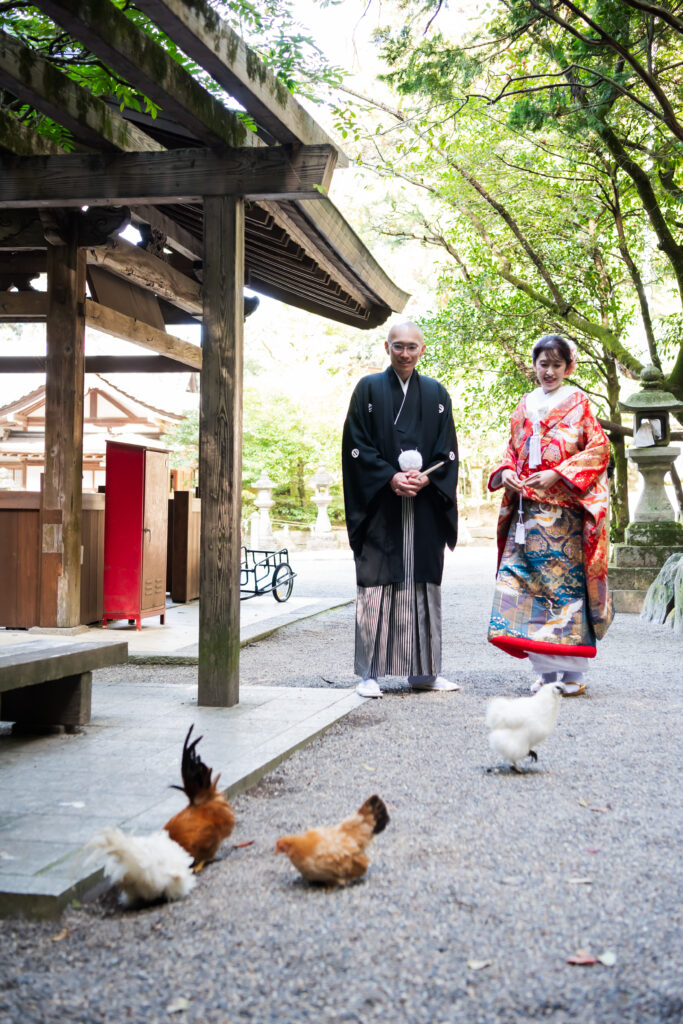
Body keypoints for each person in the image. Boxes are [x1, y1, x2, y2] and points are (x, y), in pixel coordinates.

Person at [487, 334, 613, 695]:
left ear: (568, 367)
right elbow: (511, 449)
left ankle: (572, 676)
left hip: (564, 516)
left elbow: (598, 449)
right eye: (544, 364)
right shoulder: (525, 404)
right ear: (535, 365)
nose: (550, 371)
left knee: (563, 590)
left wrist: (558, 473)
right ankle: (545, 672)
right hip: (527, 514)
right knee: (526, 588)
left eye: (558, 364)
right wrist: (508, 471)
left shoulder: (579, 403)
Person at [342, 321, 460, 698]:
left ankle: (424, 671)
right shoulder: (368, 389)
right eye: (398, 346)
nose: (405, 353)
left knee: (424, 580)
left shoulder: (437, 393)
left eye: (412, 347)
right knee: (376, 582)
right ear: (387, 348)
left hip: (424, 504)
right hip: (380, 504)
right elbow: (355, 445)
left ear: (422, 349)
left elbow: (449, 451)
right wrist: (389, 477)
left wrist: (428, 478)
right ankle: (369, 674)